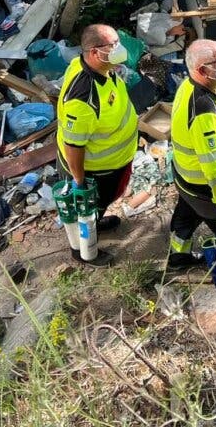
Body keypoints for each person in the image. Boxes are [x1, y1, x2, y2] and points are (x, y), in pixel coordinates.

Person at [56, 24, 140, 266]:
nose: (119, 49)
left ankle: (97, 218)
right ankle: (84, 253)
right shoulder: (82, 99)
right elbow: (74, 146)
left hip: (111, 163)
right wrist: (80, 182)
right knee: (85, 210)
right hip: (95, 169)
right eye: (112, 46)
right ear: (94, 52)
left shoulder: (100, 68)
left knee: (99, 206)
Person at [166, 39, 216, 269]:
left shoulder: (190, 85)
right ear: (202, 70)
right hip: (208, 188)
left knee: (185, 216)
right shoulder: (204, 110)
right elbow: (212, 164)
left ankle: (178, 256)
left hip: (186, 177)